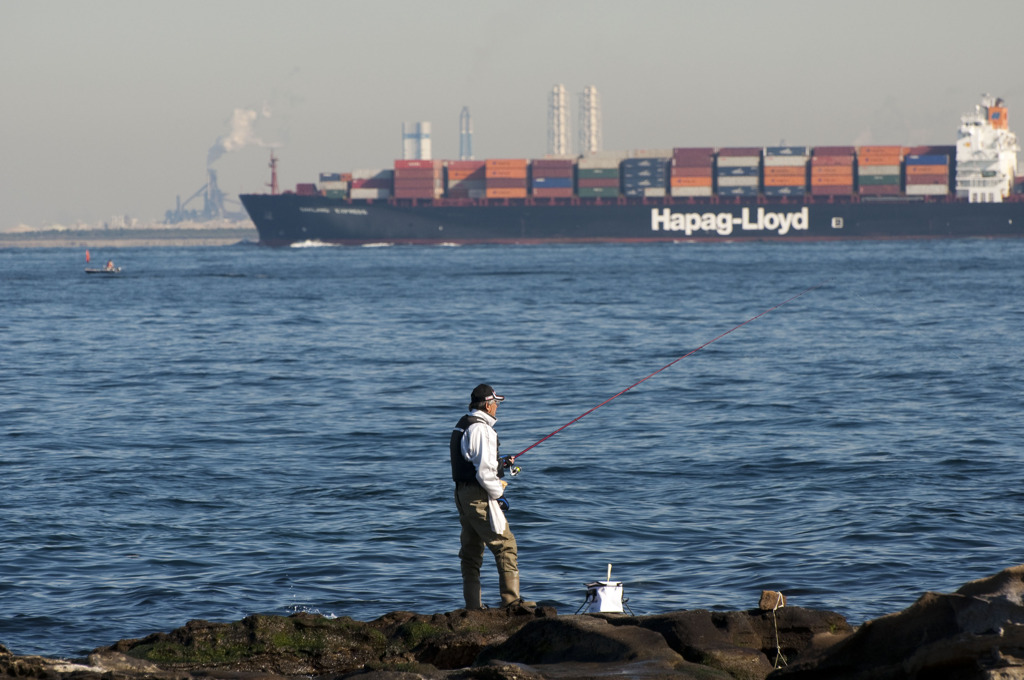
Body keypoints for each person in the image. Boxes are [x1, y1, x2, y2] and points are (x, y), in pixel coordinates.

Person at [450, 383, 534, 610]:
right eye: (496, 403)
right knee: (505, 545)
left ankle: (473, 608)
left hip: (462, 494)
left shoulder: (464, 424)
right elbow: (485, 473)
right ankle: (512, 602)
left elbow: (475, 462)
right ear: (488, 405)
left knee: (471, 552)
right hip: (478, 496)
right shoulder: (482, 430)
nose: (497, 407)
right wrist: (499, 494)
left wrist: (501, 463)